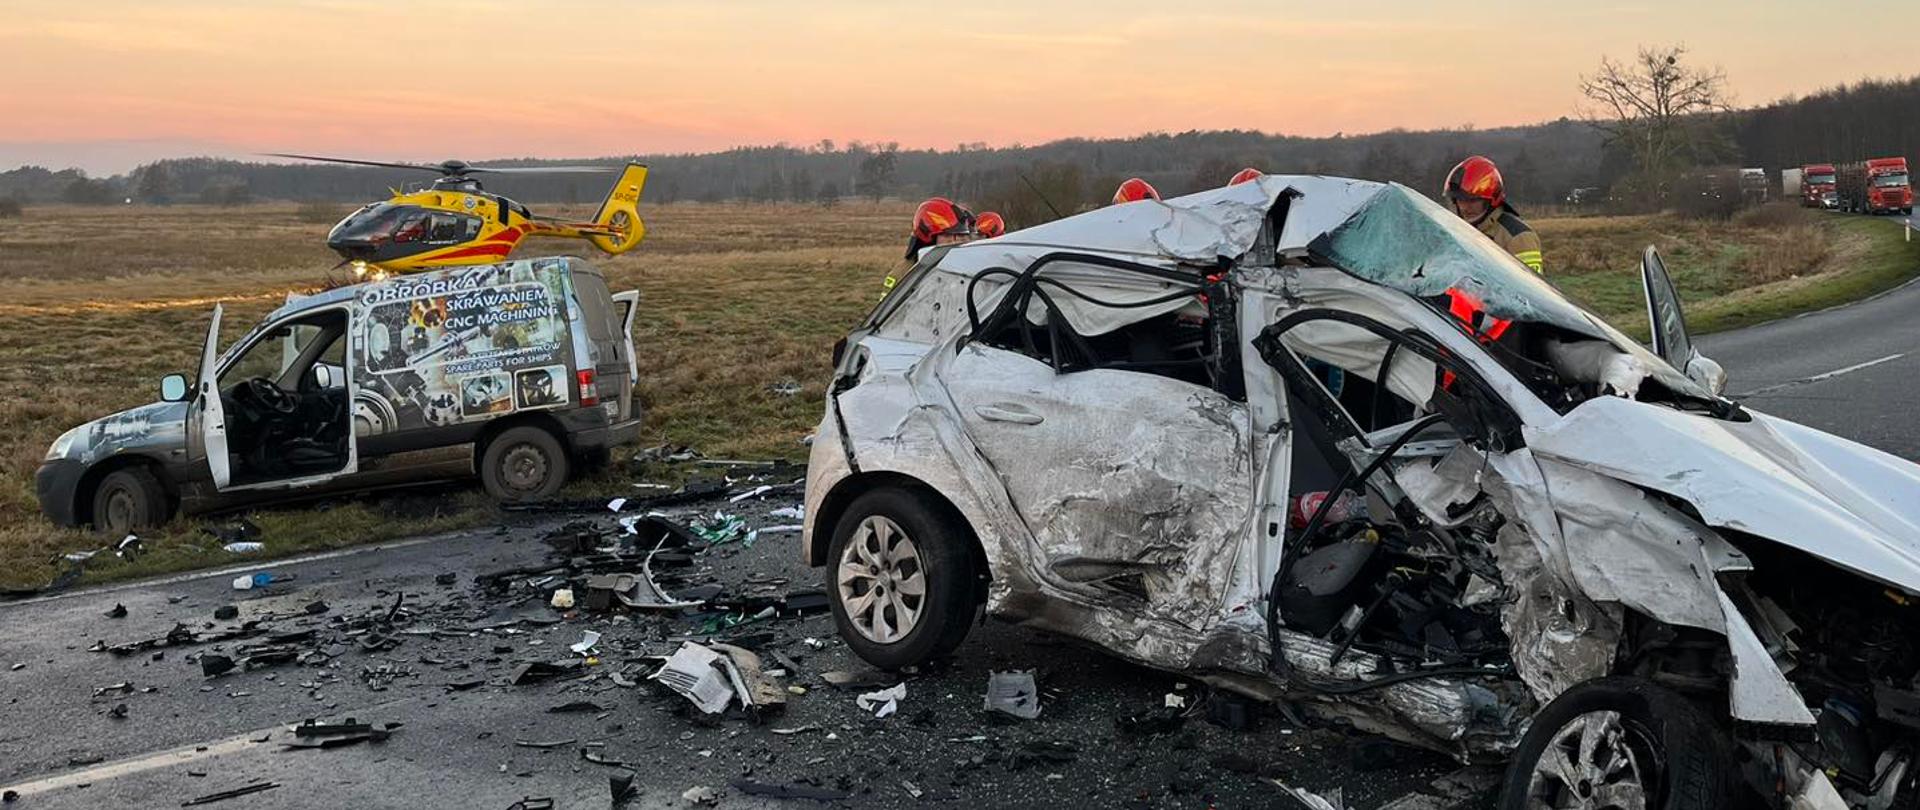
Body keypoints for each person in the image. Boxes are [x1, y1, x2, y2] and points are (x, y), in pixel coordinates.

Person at [1443, 156, 1542, 274]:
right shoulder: (1456, 230)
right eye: (1460, 200)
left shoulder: (1519, 237)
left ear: (1491, 200)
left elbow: (1529, 288)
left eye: (1472, 200)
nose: (1464, 207)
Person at [885, 197, 976, 293]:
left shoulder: (964, 268)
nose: (953, 241)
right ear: (928, 238)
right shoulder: (902, 275)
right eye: (946, 235)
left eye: (957, 235)